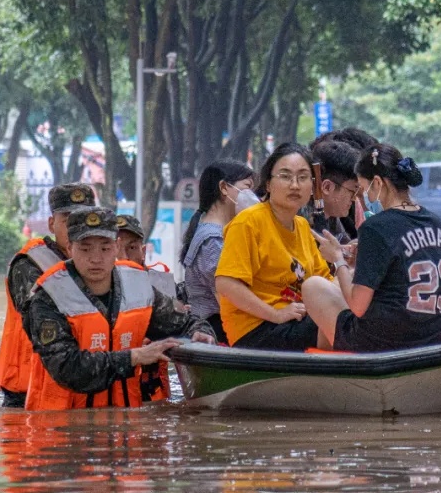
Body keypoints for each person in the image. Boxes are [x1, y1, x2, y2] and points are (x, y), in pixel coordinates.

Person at [24, 207, 217, 410]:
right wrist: (135, 357)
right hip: (61, 422)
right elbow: (67, 368)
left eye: (105, 248)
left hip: (123, 419)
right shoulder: (49, 296)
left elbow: (184, 322)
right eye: (85, 249)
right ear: (70, 248)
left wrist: (201, 332)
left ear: (116, 247)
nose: (96, 258)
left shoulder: (137, 286)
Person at [302, 144, 441, 351]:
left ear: (379, 183)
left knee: (314, 286)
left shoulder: (375, 227)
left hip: (387, 343)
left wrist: (337, 259)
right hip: (437, 336)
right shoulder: (435, 221)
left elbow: (357, 305)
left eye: (364, 190)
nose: (362, 199)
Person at [215, 143, 350, 350]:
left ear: (312, 186)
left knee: (351, 296)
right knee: (344, 326)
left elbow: (326, 283)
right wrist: (276, 314)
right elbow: (226, 284)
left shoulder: (302, 226)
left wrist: (341, 262)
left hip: (296, 320)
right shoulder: (248, 222)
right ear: (268, 184)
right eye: (285, 176)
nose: (295, 185)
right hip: (258, 329)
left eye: (303, 177)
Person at [0, 182, 95, 408]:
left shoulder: (101, 263)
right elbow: (38, 316)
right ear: (51, 224)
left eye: (83, 220)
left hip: (83, 382)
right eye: (67, 221)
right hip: (28, 392)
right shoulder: (29, 263)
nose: (76, 229)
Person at [178, 160, 256, 343]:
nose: (253, 197)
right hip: (218, 331)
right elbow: (229, 300)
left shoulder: (222, 232)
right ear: (224, 188)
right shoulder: (213, 240)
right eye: (247, 188)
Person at [115, 213, 177, 402]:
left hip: (154, 395)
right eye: (116, 248)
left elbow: (183, 324)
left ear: (143, 251)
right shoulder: (97, 288)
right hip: (115, 387)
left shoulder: (161, 284)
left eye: (132, 248)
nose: (124, 256)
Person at [307, 138, 363, 242]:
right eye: (352, 191)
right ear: (327, 187)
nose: (354, 199)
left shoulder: (330, 213)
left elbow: (341, 243)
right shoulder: (302, 220)